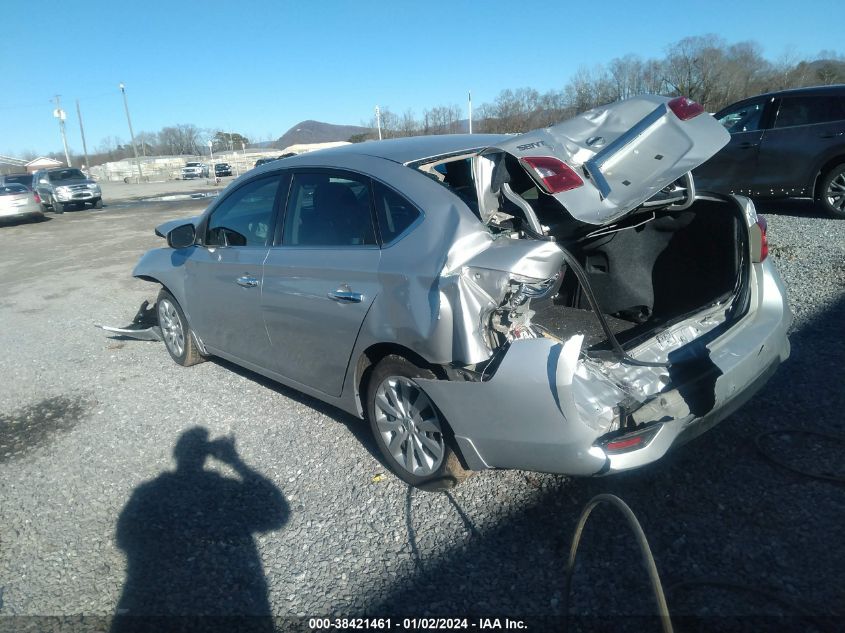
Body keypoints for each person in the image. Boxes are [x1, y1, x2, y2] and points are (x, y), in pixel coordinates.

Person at [111, 427, 288, 632]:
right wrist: (235, 462)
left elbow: (126, 537)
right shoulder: (225, 487)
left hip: (152, 602)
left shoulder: (148, 492)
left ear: (176, 454)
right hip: (235, 603)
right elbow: (277, 514)